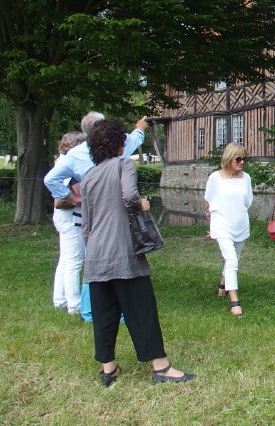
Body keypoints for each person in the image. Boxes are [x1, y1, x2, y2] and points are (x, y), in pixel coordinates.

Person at [81, 119, 193, 386]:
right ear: (118, 143)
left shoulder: (88, 177)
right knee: (142, 309)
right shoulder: (124, 165)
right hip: (123, 250)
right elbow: (130, 196)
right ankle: (161, 368)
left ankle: (108, 370)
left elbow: (86, 225)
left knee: (104, 313)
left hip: (95, 254)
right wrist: (142, 205)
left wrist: (94, 249)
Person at [44, 111, 147, 321]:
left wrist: (73, 199)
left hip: (89, 215)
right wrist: (140, 128)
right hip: (113, 213)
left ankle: (89, 309)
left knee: (93, 260)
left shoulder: (75, 156)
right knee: (118, 260)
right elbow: (129, 193)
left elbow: (50, 179)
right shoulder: (119, 157)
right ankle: (111, 310)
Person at [204, 143, 253, 317]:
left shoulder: (246, 178)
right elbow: (208, 201)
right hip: (222, 225)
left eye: (244, 159)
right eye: (238, 159)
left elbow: (248, 202)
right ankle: (234, 303)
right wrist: (211, 224)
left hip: (240, 224)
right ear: (228, 158)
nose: (242, 162)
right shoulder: (215, 178)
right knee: (232, 261)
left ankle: (222, 285)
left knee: (234, 259)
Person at [51, 131, 87, 315]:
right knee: (74, 261)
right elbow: (70, 193)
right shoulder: (70, 165)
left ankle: (60, 300)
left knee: (65, 259)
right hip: (72, 218)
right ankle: (74, 305)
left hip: (63, 217)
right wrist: (79, 199)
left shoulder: (61, 162)